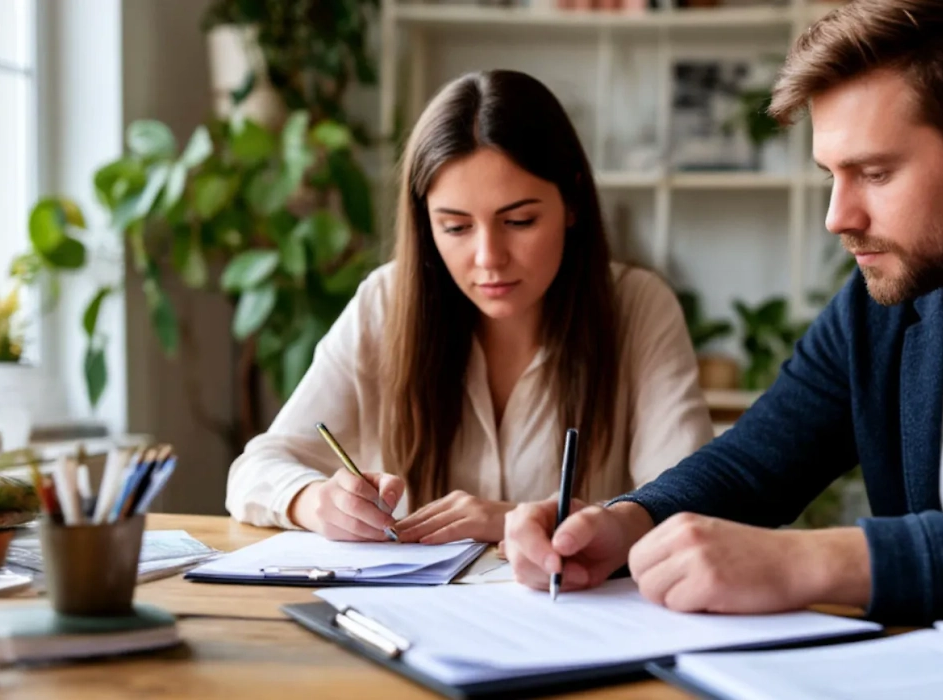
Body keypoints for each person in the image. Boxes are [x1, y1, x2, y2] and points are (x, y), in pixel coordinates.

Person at [504, 0, 943, 625]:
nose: (837, 218)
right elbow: (753, 465)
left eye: (875, 173)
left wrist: (818, 559)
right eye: (831, 175)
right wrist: (625, 522)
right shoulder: (889, 302)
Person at [225, 70, 713, 545]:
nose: (488, 258)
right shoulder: (385, 302)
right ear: (426, 225)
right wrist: (317, 501)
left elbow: (688, 507)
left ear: (572, 203)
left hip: (579, 616)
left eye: (519, 221)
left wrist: (510, 521)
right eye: (456, 228)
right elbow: (255, 470)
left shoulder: (638, 308)